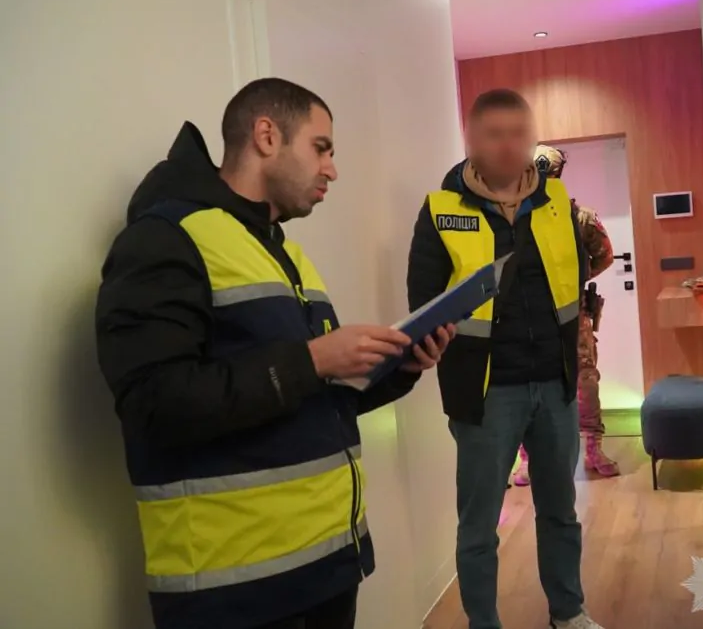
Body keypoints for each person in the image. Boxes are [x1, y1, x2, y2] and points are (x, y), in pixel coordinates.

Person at [95, 78, 454, 629]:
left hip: (326, 568)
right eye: (321, 148)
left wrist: (399, 368)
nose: (332, 169)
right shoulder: (164, 239)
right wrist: (313, 359)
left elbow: (316, 400)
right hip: (231, 593)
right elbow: (154, 405)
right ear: (266, 136)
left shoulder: (282, 253)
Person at [407, 89, 603, 629]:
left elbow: (574, 281)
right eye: (494, 134)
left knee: (560, 513)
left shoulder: (556, 200)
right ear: (471, 139)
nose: (508, 145)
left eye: (518, 133)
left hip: (555, 385)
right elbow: (423, 306)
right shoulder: (442, 210)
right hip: (484, 393)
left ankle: (568, 612)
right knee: (478, 526)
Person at [511, 145, 618, 487]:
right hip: (528, 316)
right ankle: (528, 458)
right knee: (527, 383)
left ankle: (593, 450)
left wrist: (572, 282)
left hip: (572, 314)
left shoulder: (581, 218)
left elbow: (604, 256)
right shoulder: (513, 218)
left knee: (585, 380)